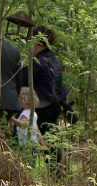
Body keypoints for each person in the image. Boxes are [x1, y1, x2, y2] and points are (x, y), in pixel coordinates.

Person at [18, 25, 65, 167]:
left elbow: (23, 82)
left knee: (31, 141)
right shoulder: (55, 60)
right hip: (54, 105)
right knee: (52, 141)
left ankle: (27, 175)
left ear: (38, 43)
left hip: (40, 109)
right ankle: (58, 174)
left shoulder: (36, 62)